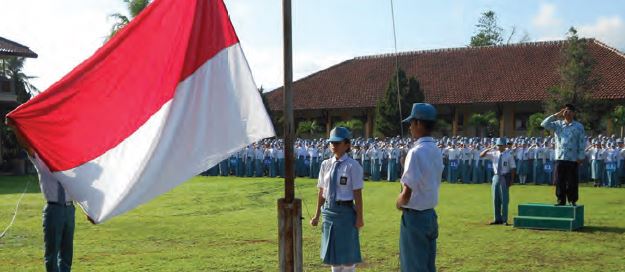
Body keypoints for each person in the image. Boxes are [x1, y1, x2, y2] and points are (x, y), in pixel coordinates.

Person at [11, 126, 76, 272]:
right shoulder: (42, 161)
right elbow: (27, 146)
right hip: (53, 209)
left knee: (67, 253)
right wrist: (15, 128)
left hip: (70, 209)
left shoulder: (71, 163)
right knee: (52, 253)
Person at [396, 103, 443, 272]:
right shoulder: (436, 150)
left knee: (413, 267)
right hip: (430, 215)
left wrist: (398, 202)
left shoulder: (415, 152)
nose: (409, 127)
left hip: (414, 218)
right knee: (428, 266)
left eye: (411, 123)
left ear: (419, 124)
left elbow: (406, 193)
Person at [310, 127, 364, 272]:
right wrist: (316, 215)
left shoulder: (353, 166)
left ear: (347, 145)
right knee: (333, 255)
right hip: (329, 212)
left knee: (347, 257)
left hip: (346, 213)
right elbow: (321, 191)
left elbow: (357, 194)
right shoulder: (325, 165)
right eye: (331, 142)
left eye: (337, 142)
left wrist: (360, 218)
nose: (333, 145)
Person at [541, 104, 586, 206]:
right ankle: (561, 200)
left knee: (572, 181)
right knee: (559, 181)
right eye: (565, 111)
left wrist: (580, 157)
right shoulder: (558, 124)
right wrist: (556, 115)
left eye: (569, 111)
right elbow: (543, 124)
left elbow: (582, 142)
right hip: (560, 157)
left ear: (573, 113)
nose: (567, 113)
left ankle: (572, 200)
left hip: (573, 158)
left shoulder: (579, 126)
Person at [480, 137, 516, 226]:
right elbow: (481, 155)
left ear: (505, 145)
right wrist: (488, 149)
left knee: (504, 199)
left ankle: (504, 219)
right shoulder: (494, 153)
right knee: (495, 198)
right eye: (498, 145)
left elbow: (513, 168)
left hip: (504, 176)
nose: (499, 147)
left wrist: (511, 180)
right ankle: (497, 219)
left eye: (501, 145)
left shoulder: (509, 155)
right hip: (496, 176)